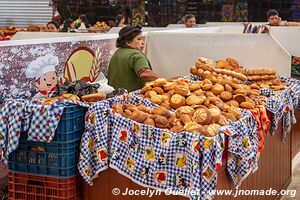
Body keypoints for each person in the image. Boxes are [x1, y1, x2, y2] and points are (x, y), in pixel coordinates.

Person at [108, 25, 160, 92]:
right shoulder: (136, 55)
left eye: (143, 39)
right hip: (131, 97)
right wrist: (163, 80)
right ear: (128, 42)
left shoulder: (117, 53)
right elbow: (144, 74)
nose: (143, 42)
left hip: (114, 97)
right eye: (139, 39)